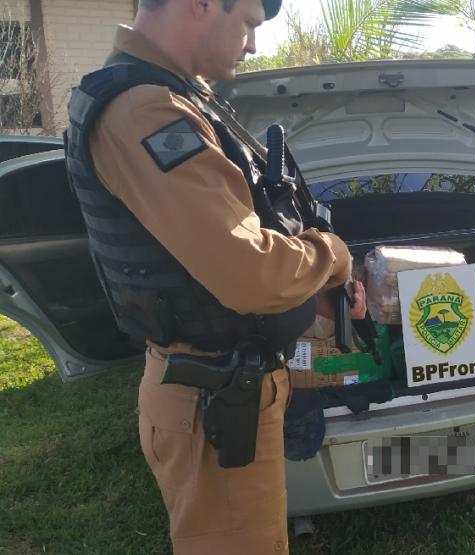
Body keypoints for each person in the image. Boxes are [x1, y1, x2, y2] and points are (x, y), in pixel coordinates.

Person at [64, 0, 363, 552]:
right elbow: (249, 272)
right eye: (248, 22)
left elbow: (230, 241)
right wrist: (333, 256)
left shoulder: (175, 94)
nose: (253, 44)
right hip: (215, 399)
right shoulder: (144, 111)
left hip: (227, 389)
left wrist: (313, 290)